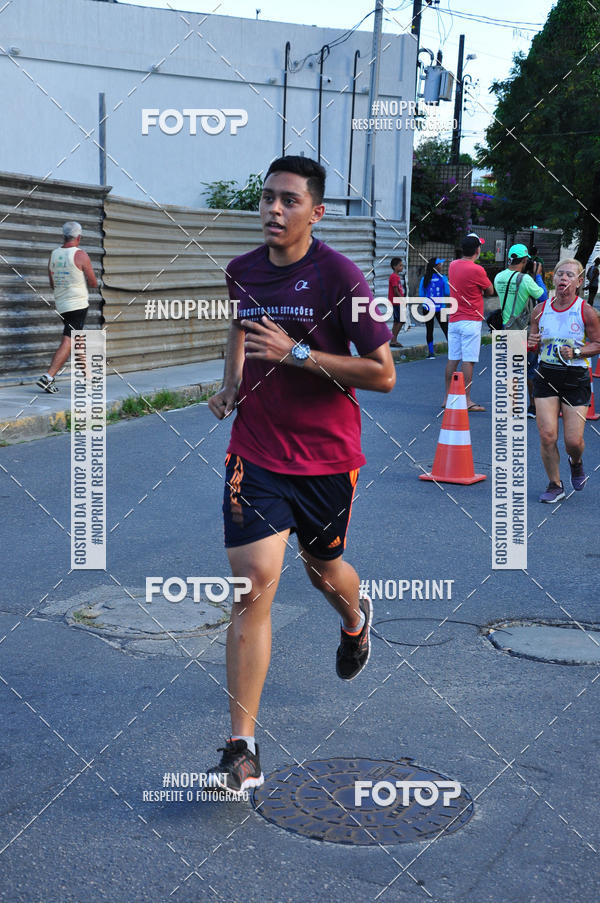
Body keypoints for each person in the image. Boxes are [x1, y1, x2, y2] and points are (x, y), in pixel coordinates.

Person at [206, 155, 395, 794]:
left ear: (316, 211)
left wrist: (300, 354)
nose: (273, 210)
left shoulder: (340, 276)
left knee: (323, 572)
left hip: (326, 459)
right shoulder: (243, 271)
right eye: (267, 198)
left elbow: (383, 373)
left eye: (289, 200)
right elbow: (240, 328)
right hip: (255, 451)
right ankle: (243, 747)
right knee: (255, 583)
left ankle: (355, 620)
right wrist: (231, 383)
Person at [527, 258, 600, 503]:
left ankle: (576, 461)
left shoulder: (586, 311)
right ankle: (554, 484)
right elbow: (533, 344)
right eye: (560, 274)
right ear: (554, 279)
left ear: (579, 282)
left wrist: (578, 352)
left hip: (575, 377)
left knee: (573, 441)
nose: (563, 279)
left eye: (570, 275)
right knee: (547, 435)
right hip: (546, 375)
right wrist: (530, 343)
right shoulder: (540, 310)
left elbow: (598, 344)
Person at [36, 222, 97, 393]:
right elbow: (93, 282)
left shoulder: (54, 255)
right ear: (79, 237)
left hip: (62, 304)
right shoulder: (81, 255)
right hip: (78, 304)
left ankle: (89, 379)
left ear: (63, 236)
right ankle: (48, 377)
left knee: (75, 338)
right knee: (69, 339)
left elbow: (52, 283)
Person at [494, 244, 546, 418]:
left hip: (506, 329)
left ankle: (512, 407)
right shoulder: (525, 279)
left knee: (512, 370)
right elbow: (543, 297)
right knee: (530, 369)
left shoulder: (498, 277)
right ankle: (532, 407)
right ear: (524, 260)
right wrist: (538, 276)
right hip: (525, 331)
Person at [445, 233, 494, 411]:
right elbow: (490, 290)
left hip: (454, 318)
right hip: (471, 320)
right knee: (469, 360)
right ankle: (466, 399)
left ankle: (447, 398)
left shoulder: (452, 265)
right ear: (477, 250)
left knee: (453, 359)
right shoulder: (477, 270)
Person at [418, 257, 449, 358]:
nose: (441, 266)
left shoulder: (424, 278)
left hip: (427, 307)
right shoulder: (443, 278)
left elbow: (421, 294)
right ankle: (454, 351)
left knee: (429, 329)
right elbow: (447, 292)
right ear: (435, 267)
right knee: (446, 329)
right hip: (441, 307)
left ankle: (431, 353)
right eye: (440, 264)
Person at [388, 257, 405, 347]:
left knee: (397, 321)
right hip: (396, 302)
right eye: (400, 265)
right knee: (401, 321)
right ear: (395, 267)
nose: (402, 267)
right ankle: (393, 340)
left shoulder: (396, 276)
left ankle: (393, 340)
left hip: (396, 302)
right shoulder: (394, 277)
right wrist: (402, 299)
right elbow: (395, 290)